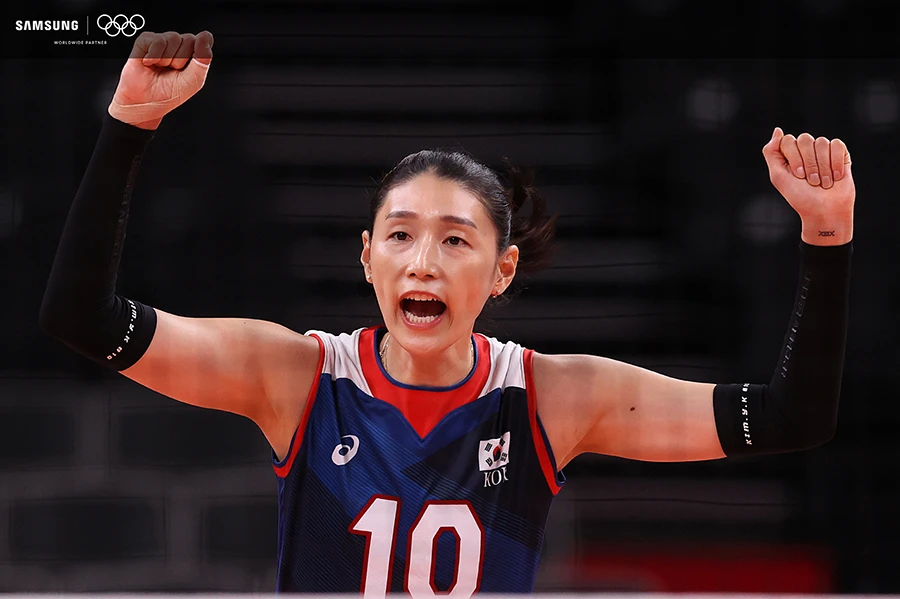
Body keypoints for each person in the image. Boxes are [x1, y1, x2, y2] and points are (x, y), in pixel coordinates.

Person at [39, 31, 854, 596]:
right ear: (367, 257)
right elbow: (84, 317)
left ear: (502, 271)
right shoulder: (297, 376)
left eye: (456, 240)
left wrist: (827, 234)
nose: (423, 260)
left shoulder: (551, 396)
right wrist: (129, 124)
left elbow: (792, 417)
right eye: (400, 235)